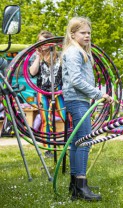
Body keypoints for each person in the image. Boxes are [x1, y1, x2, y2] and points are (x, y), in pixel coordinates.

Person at [62, 17, 113, 201]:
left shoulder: (81, 52)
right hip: (77, 100)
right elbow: (76, 80)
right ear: (73, 34)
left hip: (79, 99)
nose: (87, 36)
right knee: (85, 141)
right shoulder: (75, 53)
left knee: (78, 141)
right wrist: (99, 94)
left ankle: (75, 185)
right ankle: (81, 185)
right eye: (83, 33)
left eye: (89, 33)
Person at [29, 31, 67, 158]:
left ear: (51, 43)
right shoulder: (37, 57)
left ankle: (70, 143)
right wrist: (38, 58)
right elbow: (32, 73)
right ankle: (48, 148)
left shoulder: (60, 56)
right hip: (43, 92)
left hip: (58, 91)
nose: (42, 45)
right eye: (40, 42)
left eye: (44, 42)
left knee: (66, 117)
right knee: (46, 120)